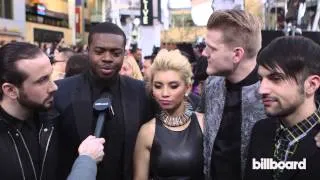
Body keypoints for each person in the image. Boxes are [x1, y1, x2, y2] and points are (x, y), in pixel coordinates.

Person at [53, 22, 154, 180]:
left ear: (124, 54)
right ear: (88, 51)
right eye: (99, 51)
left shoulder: (142, 92)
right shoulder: (61, 91)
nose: (107, 58)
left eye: (115, 53)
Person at [199, 10, 266, 179]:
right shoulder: (211, 84)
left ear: (237, 54)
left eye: (211, 48)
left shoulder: (270, 93)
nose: (204, 53)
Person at [245, 36, 320, 180]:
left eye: (276, 78)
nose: (261, 90)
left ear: (311, 85)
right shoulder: (260, 130)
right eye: (261, 79)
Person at [134, 49, 204, 179]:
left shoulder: (203, 123)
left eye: (173, 86)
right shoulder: (147, 131)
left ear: (187, 88)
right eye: (158, 86)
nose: (165, 93)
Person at [0, 42, 58, 180]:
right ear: (11, 90)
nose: (54, 87)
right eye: (42, 80)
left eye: (50, 76)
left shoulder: (55, 119)